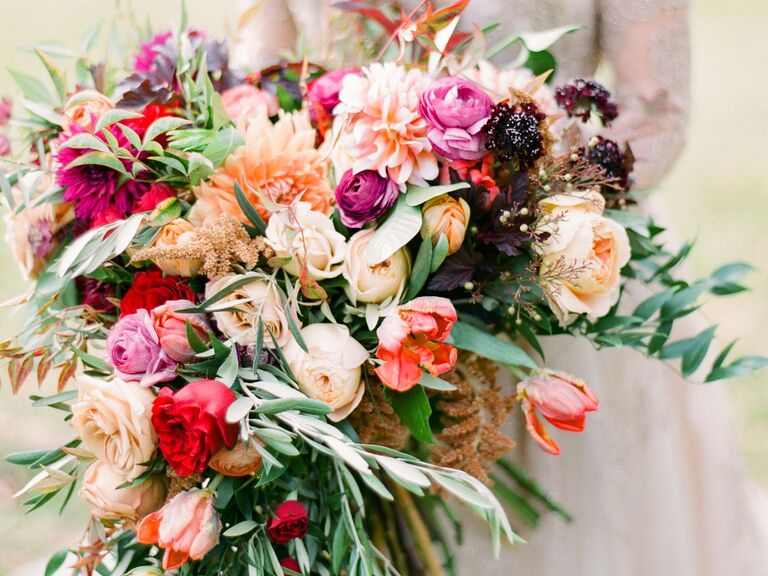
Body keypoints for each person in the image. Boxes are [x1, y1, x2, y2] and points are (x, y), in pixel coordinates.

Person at [232, 2, 768, 575]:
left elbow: (656, 108)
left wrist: (517, 221)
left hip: (551, 276)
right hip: (337, 283)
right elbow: (258, 79)